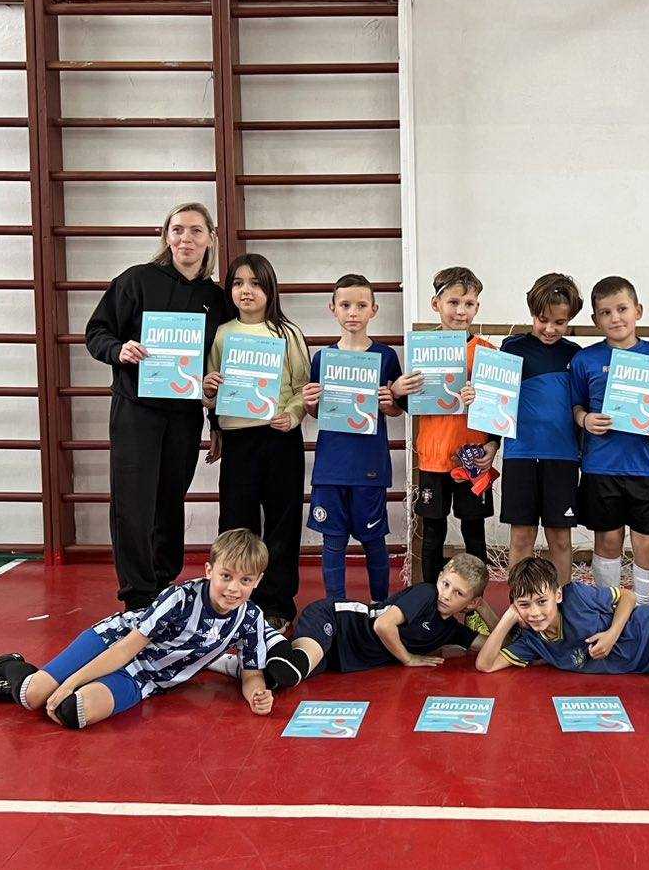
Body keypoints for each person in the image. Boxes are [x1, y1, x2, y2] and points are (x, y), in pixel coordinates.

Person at [0, 529, 282, 729]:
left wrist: (257, 695)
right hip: (112, 643)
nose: (233, 588)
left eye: (245, 580)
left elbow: (252, 672)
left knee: (71, 712)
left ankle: (33, 687)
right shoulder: (180, 598)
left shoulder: (251, 618)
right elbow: (124, 649)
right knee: (34, 696)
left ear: (257, 581)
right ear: (209, 571)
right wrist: (70, 681)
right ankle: (8, 666)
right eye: (226, 576)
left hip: (144, 677)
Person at [84, 202, 226, 610]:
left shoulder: (216, 299)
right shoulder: (136, 280)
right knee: (133, 502)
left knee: (169, 500)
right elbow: (97, 332)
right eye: (178, 229)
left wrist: (215, 421)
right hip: (136, 411)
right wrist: (118, 349)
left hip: (183, 416)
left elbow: (216, 365)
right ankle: (137, 595)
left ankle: (163, 583)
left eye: (196, 230)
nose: (186, 238)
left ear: (210, 238)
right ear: (166, 236)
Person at [202, 253, 309, 630]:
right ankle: (230, 603)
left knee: (283, 522)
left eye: (255, 283)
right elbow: (211, 392)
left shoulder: (288, 333)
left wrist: (293, 415)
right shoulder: (221, 334)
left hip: (280, 439)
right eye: (238, 283)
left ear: (270, 289)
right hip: (239, 442)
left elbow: (302, 388)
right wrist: (209, 392)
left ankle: (277, 605)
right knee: (236, 522)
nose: (246, 291)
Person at [211, 554, 496, 688]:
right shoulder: (425, 594)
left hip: (340, 657)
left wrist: (486, 609)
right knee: (295, 666)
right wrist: (408, 659)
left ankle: (221, 660)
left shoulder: (450, 630)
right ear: (440, 578)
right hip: (336, 620)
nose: (446, 594)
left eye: (458, 594)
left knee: (278, 679)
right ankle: (266, 632)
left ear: (470, 602)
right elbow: (383, 625)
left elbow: (494, 646)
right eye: (445, 584)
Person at [569, 276, 649, 604]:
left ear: (638, 311)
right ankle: (609, 609)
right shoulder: (585, 360)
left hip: (645, 467)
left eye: (622, 309)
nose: (615, 318)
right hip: (601, 468)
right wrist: (585, 419)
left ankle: (644, 613)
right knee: (608, 542)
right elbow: (576, 406)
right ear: (595, 320)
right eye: (605, 312)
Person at [303, 274, 404, 601]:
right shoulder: (322, 358)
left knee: (374, 541)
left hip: (369, 466)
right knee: (333, 542)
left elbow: (396, 410)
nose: (353, 312)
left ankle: (379, 605)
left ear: (374, 309)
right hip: (331, 467)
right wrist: (309, 403)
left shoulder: (387, 356)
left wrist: (390, 404)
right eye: (345, 305)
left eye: (361, 305)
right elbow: (317, 413)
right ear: (332, 308)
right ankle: (336, 608)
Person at [395, 267, 496, 583]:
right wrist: (398, 391)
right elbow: (411, 404)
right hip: (433, 457)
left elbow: (499, 409)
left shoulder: (487, 352)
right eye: (453, 302)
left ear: (477, 307)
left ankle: (475, 602)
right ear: (435, 304)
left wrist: (493, 444)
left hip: (473, 458)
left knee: (474, 532)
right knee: (432, 533)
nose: (461, 311)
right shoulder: (421, 350)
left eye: (468, 304)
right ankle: (429, 599)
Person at [492, 274, 583, 584]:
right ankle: (519, 603)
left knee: (560, 539)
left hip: (563, 458)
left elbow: (583, 405)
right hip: (520, 455)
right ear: (532, 312)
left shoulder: (575, 355)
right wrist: (492, 442)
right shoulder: (511, 348)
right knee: (521, 537)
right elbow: (496, 402)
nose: (550, 328)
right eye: (543, 320)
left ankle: (564, 603)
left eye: (559, 322)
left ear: (569, 319)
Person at [475, 556, 649, 675]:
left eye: (542, 601)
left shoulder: (576, 596)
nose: (534, 613)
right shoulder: (532, 642)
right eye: (524, 605)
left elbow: (628, 596)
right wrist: (509, 617)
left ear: (557, 595)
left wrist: (612, 634)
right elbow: (485, 665)